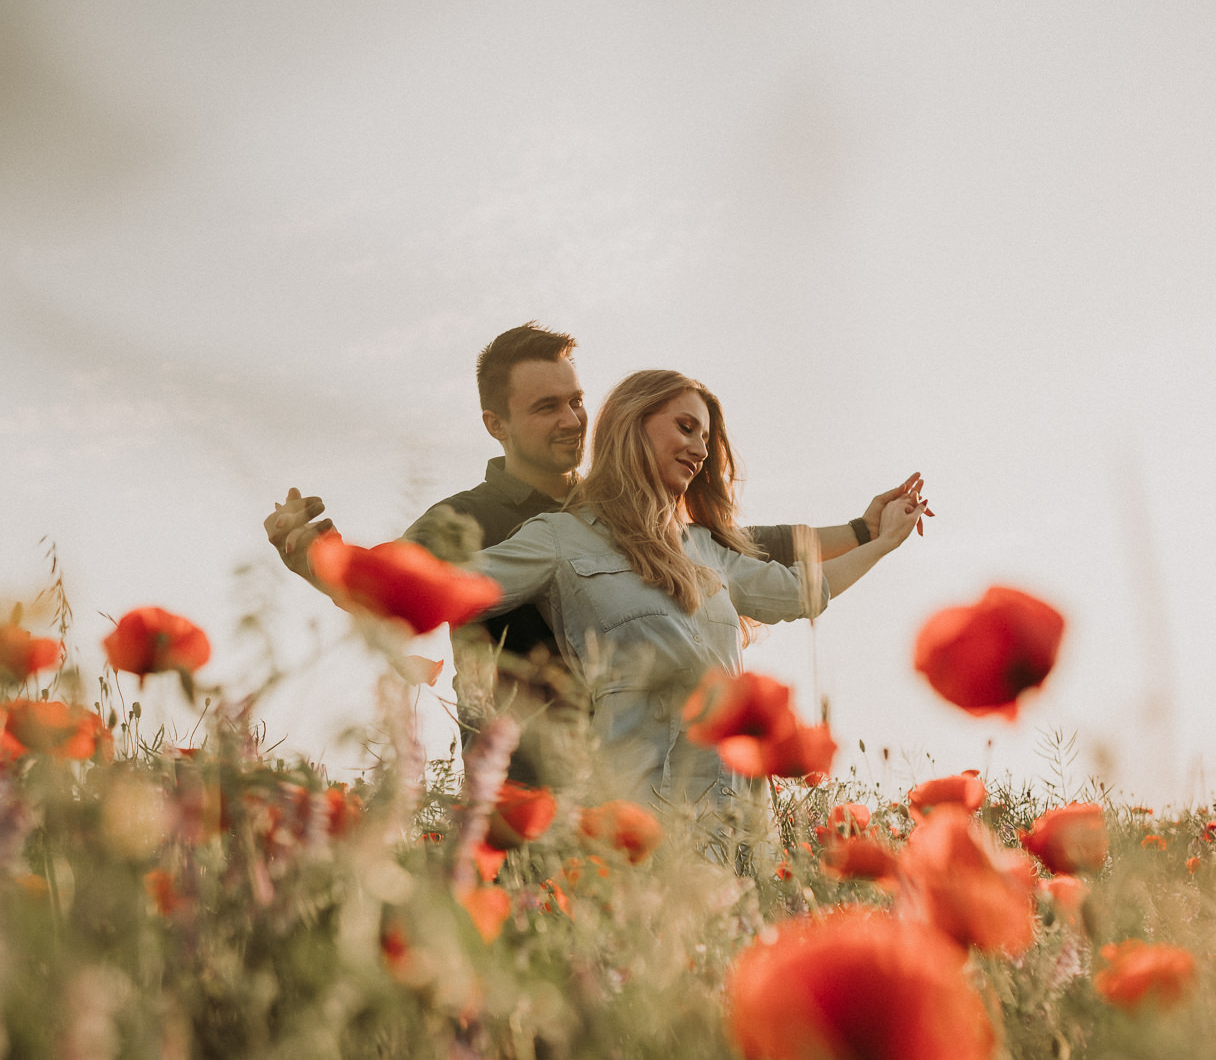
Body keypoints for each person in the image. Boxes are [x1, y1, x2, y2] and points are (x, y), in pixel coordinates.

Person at [263, 325, 922, 791]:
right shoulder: (464, 519)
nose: (573, 418)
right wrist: (313, 555)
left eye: (577, 400)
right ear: (496, 423)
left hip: (645, 781)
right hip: (521, 784)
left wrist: (865, 528)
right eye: (547, 406)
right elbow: (397, 586)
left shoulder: (624, 511)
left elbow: (751, 551)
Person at [459, 369, 925, 811]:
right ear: (631, 424)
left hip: (737, 814)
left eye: (705, 437)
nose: (700, 449)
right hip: (639, 816)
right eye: (686, 428)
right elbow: (452, 587)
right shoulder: (559, 539)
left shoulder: (705, 548)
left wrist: (881, 540)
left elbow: (805, 591)